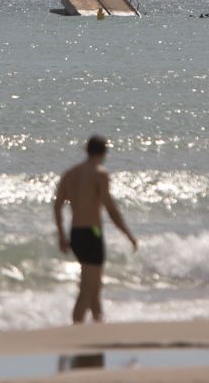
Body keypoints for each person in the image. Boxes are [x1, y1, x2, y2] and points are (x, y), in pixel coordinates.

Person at [53, 135, 137, 324]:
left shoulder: (70, 174)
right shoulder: (100, 174)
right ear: (104, 152)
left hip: (76, 234)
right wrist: (128, 234)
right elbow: (111, 209)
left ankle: (98, 323)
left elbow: (57, 206)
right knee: (88, 287)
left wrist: (61, 235)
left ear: (86, 150)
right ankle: (77, 328)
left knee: (94, 284)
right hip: (92, 233)